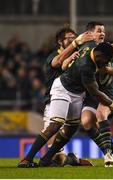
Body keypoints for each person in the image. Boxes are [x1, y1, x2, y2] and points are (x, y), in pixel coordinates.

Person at [18, 27, 94, 168]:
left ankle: (68, 159)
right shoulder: (54, 56)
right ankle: (70, 160)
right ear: (60, 41)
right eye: (69, 38)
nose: (73, 40)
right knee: (57, 158)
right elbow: (57, 62)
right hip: (54, 101)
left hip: (74, 98)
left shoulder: (78, 55)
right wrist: (75, 43)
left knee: (72, 128)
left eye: (74, 37)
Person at [80, 21, 113, 167]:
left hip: (108, 92)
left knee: (101, 113)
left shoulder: (109, 50)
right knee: (87, 122)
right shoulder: (83, 51)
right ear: (89, 34)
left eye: (103, 31)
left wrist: (105, 69)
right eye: (99, 30)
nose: (102, 33)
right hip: (90, 95)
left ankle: (108, 154)